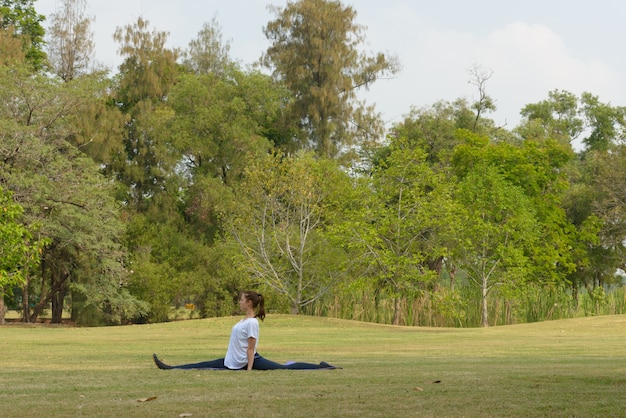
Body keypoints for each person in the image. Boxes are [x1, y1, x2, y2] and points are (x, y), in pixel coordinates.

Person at [152, 291, 340, 371]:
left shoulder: (252, 323)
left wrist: (249, 369)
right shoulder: (244, 320)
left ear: (249, 303)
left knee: (285, 368)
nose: (239, 302)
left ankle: (321, 367)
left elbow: (251, 348)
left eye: (242, 300)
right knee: (202, 364)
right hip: (231, 360)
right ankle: (170, 367)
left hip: (246, 362)